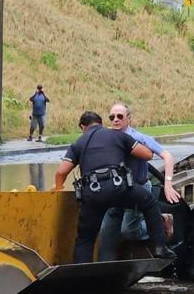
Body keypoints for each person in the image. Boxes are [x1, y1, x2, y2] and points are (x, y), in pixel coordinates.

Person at [52, 111, 175, 263]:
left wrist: (58, 187)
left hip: (92, 193)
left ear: (83, 127)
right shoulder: (117, 135)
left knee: (85, 238)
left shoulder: (79, 143)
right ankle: (160, 247)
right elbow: (147, 155)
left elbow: (61, 172)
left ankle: (82, 274)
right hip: (118, 187)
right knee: (148, 202)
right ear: (101, 123)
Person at [97, 102, 180, 261]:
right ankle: (107, 266)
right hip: (115, 191)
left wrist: (168, 184)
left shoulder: (139, 138)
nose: (115, 120)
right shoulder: (107, 138)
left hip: (138, 189)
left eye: (120, 116)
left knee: (129, 231)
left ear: (128, 118)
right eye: (112, 117)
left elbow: (167, 157)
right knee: (107, 231)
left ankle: (161, 222)